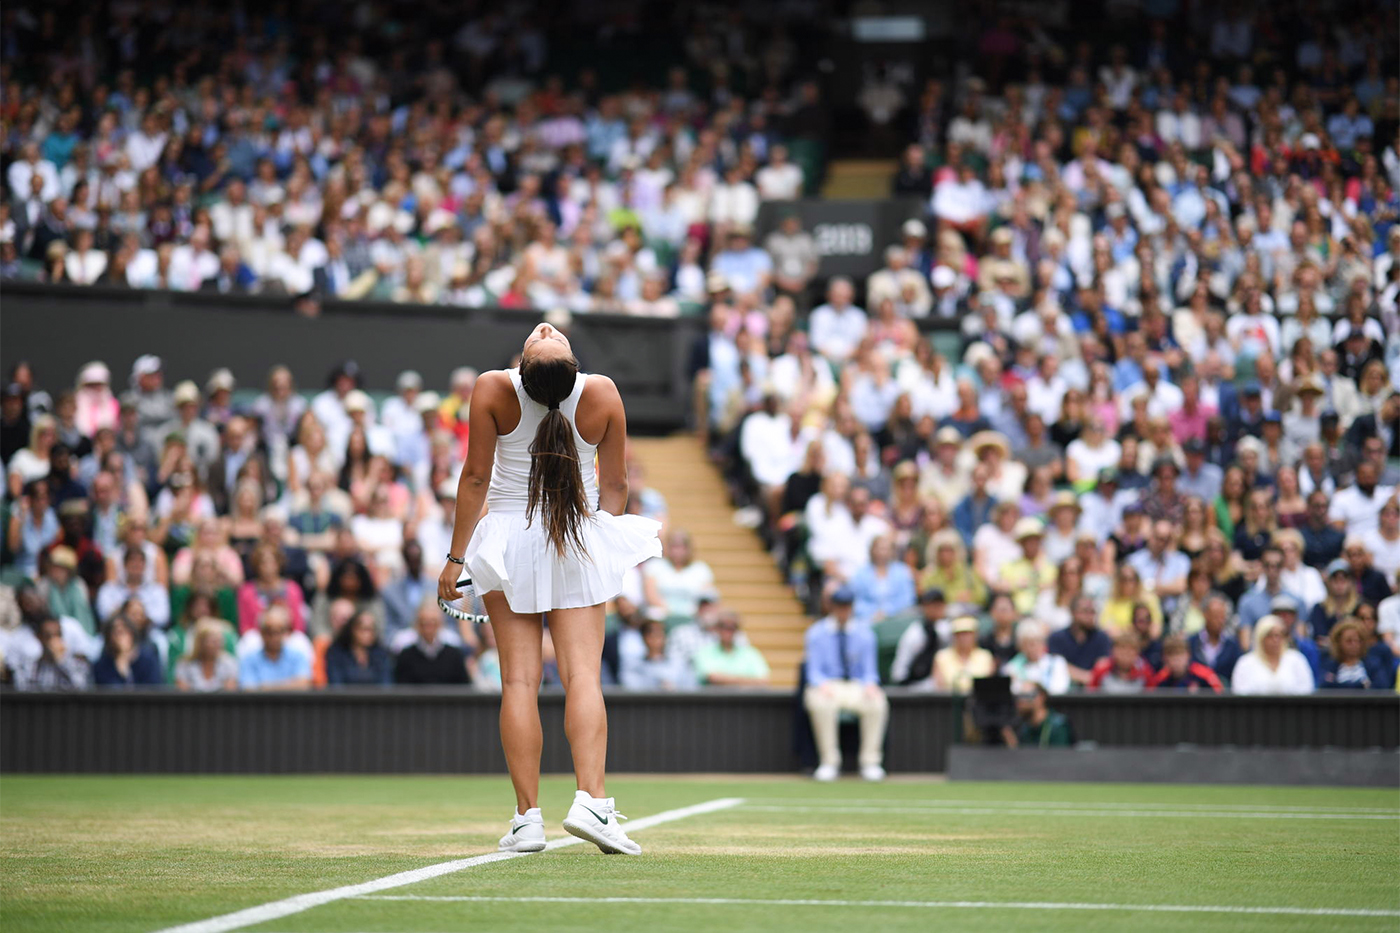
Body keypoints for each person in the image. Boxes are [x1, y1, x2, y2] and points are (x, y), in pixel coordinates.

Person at [437, 322, 661, 856]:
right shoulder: (601, 391)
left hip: (509, 541)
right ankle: (592, 801)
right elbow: (616, 486)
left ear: (528, 365)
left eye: (547, 337)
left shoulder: (493, 386)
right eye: (547, 337)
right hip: (576, 537)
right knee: (583, 675)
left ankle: (527, 819)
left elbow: (474, 478)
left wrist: (455, 558)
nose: (545, 328)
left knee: (519, 682)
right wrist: (598, 539)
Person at [802, 587, 888, 782]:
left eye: (847, 606)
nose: (843, 611)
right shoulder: (815, 633)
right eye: (839, 606)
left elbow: (870, 672)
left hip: (855, 687)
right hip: (828, 685)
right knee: (821, 703)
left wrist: (870, 685)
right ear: (832, 607)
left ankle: (870, 762)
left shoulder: (865, 634)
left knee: (878, 702)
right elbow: (813, 671)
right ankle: (829, 762)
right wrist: (822, 684)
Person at [1230, 614, 1315, 696]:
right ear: (1260, 637)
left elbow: (1307, 690)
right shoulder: (1245, 663)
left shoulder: (1297, 659)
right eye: (1270, 635)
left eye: (1279, 635)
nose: (1275, 640)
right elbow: (1240, 694)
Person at [394, 598, 472, 685]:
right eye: (424, 624)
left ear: (440, 624)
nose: (428, 629)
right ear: (417, 625)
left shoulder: (455, 655)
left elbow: (464, 688)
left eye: (433, 623)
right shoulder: (405, 656)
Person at [237, 605, 312, 691]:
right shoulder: (249, 659)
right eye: (269, 631)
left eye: (279, 631)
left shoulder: (298, 656)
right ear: (261, 632)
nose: (274, 637)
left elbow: (304, 685)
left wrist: (264, 687)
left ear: (286, 632)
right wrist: (290, 685)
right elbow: (248, 689)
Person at [10, 615, 90, 691]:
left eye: (58, 635)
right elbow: (22, 688)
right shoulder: (32, 666)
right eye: (49, 636)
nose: (54, 641)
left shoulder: (77, 664)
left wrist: (62, 661)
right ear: (39, 637)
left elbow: (80, 687)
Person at [1049, 594, 1114, 687]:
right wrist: (1085, 677)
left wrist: (1091, 677)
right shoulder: (1057, 637)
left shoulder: (1102, 638)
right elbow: (1056, 666)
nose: (1090, 616)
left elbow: (1103, 665)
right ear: (1072, 612)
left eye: (1093, 612)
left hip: (1095, 691)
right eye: (1085, 611)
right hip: (1064, 690)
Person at [693, 611, 770, 686]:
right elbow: (712, 678)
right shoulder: (705, 652)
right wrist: (747, 681)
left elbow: (763, 681)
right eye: (723, 626)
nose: (727, 631)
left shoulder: (750, 653)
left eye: (732, 627)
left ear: (737, 630)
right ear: (717, 629)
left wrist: (725, 680)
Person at [890, 588, 947, 687]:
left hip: (940, 683)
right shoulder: (915, 633)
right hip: (914, 685)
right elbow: (899, 671)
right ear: (924, 607)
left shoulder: (947, 629)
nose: (937, 608)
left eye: (940, 604)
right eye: (933, 605)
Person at [324, 609, 394, 686]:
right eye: (365, 629)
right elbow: (336, 684)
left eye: (372, 630)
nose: (369, 634)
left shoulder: (380, 654)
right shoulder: (336, 653)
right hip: (345, 697)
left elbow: (386, 684)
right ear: (353, 629)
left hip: (377, 698)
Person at [91, 615, 164, 687]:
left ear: (132, 634)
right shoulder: (102, 665)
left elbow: (154, 689)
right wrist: (121, 662)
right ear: (109, 637)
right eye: (117, 633)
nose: (121, 638)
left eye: (124, 632)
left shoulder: (147, 660)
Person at [1002, 620, 1071, 695]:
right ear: (1020, 646)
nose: (1034, 648)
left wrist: (1035, 687)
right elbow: (1012, 690)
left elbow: (1060, 689)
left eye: (1038, 642)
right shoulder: (1011, 667)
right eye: (1029, 644)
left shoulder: (1057, 662)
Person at [1319, 620, 1392, 690]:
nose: (1354, 644)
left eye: (1358, 640)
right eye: (1349, 641)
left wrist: (1338, 685)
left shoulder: (1373, 666)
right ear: (1339, 643)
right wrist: (1362, 686)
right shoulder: (1329, 666)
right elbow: (1324, 686)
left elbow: (1382, 686)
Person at [1188, 595, 1245, 686]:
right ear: (1205, 615)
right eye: (1216, 616)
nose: (1220, 621)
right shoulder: (1191, 643)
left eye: (1223, 617)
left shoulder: (1233, 647)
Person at [173, 617, 240, 692]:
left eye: (220, 641)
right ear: (201, 643)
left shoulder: (229, 663)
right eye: (213, 641)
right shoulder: (184, 664)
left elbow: (231, 691)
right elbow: (182, 691)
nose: (218, 645)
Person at [933, 616, 996, 693]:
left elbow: (989, 684)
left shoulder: (986, 656)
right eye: (960, 634)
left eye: (968, 634)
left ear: (975, 635)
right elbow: (939, 686)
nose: (964, 638)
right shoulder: (941, 656)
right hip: (949, 701)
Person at [1005, 684, 1074, 749]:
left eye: (1026, 696)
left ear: (1040, 697)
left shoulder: (1058, 725)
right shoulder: (1024, 727)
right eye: (1018, 697)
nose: (1020, 701)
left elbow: (1062, 757)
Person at [1149, 635, 1224, 692]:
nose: (1176, 660)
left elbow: (1220, 694)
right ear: (1164, 658)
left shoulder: (1204, 675)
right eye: (1171, 655)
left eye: (1180, 654)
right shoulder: (1159, 680)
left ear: (1188, 655)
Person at [1087, 633, 1154, 693]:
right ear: (1112, 652)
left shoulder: (1145, 671)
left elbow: (1152, 696)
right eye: (1121, 650)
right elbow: (1091, 693)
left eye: (1130, 651)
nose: (1125, 655)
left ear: (1137, 653)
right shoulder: (1101, 669)